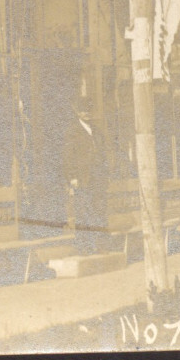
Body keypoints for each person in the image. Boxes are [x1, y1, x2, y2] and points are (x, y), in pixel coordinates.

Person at [63, 101, 109, 255]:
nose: (86, 113)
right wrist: (72, 176)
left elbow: (103, 153)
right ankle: (84, 247)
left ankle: (100, 245)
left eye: (89, 109)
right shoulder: (72, 132)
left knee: (99, 211)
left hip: (97, 178)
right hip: (82, 178)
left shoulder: (96, 131)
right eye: (83, 110)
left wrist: (105, 172)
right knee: (83, 211)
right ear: (77, 112)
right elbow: (68, 156)